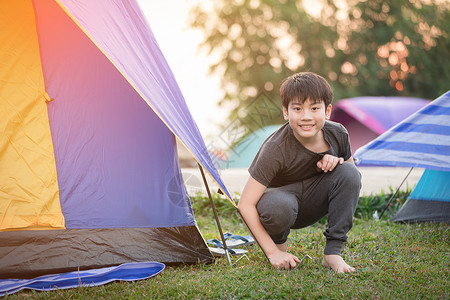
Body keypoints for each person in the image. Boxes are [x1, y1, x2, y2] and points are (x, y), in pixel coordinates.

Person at [237, 72, 361, 273]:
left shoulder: (338, 134)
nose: (306, 116)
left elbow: (350, 181)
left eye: (314, 108)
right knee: (279, 206)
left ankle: (332, 254)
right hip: (279, 206)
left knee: (348, 172)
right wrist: (272, 253)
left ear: (327, 111)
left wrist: (335, 162)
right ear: (286, 112)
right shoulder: (276, 147)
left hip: (311, 203)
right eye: (297, 108)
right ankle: (279, 246)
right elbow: (245, 204)